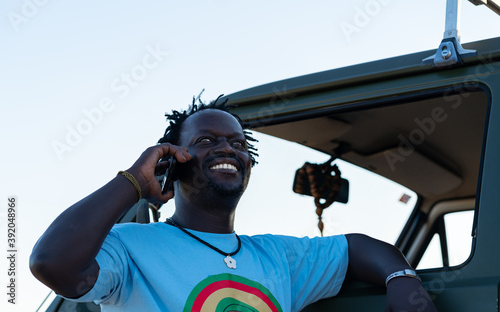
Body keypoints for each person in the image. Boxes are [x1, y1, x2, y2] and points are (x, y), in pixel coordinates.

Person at [30, 96, 438, 311]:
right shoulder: (130, 247)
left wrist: (401, 278)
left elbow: (358, 249)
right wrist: (134, 182)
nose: (227, 148)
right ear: (172, 160)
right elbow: (51, 263)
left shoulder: (278, 256)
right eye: (205, 141)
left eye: (238, 144)